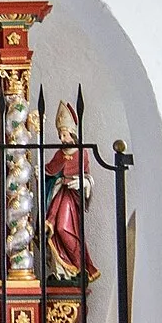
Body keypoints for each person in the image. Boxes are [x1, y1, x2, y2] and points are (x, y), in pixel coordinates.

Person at [44, 99, 97, 287]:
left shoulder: (81, 152)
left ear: (72, 134)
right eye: (60, 135)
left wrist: (83, 183)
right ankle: (61, 272)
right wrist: (40, 174)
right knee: (53, 232)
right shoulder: (59, 153)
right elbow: (49, 171)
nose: (62, 139)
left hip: (71, 199)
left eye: (64, 134)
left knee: (63, 228)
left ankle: (78, 266)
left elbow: (88, 177)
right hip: (59, 195)